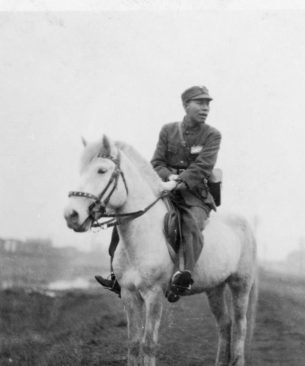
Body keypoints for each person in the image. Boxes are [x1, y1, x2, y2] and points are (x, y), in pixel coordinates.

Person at [95, 86, 222, 300]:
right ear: (185, 105)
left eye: (207, 104)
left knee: (191, 224)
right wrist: (169, 177)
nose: (205, 108)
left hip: (195, 194)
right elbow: (156, 162)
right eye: (199, 103)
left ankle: (184, 276)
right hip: (165, 189)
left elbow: (203, 166)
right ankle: (117, 274)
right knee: (125, 218)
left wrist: (180, 182)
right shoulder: (168, 130)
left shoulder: (212, 135)